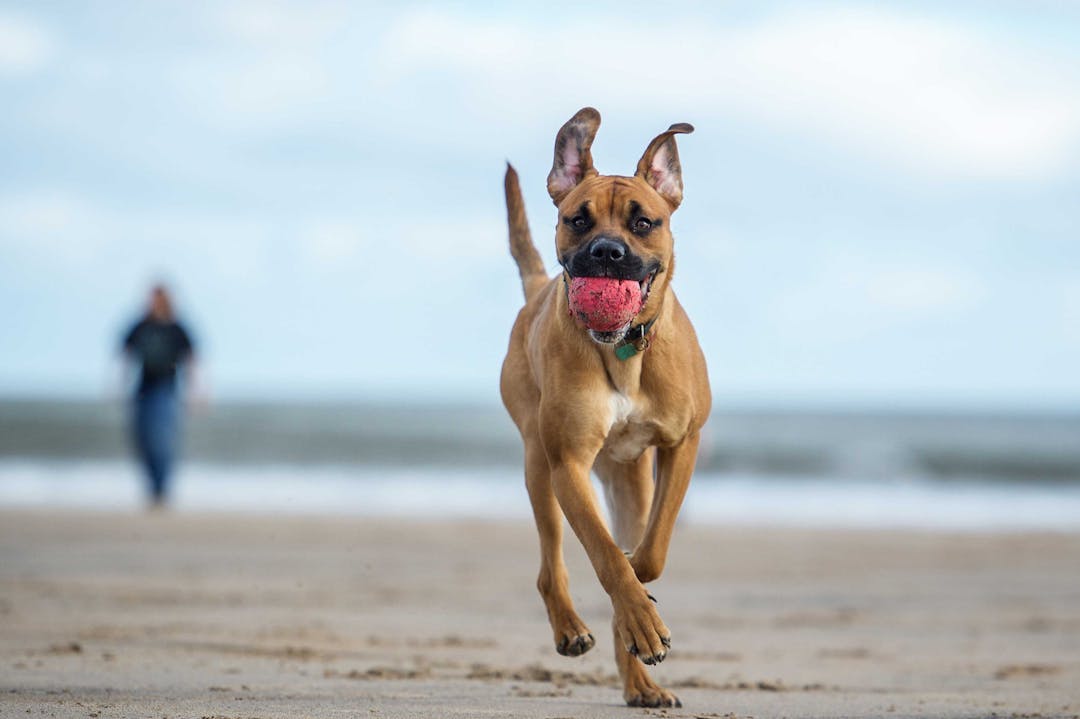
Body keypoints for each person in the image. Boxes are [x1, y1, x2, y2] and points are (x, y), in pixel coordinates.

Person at [121, 284, 197, 508]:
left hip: (167, 390)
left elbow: (192, 359)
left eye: (156, 298)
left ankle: (162, 489)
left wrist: (195, 391)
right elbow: (126, 354)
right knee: (142, 439)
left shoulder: (176, 328)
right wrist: (121, 384)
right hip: (142, 389)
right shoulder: (140, 327)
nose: (151, 303)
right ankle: (153, 488)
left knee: (162, 440)